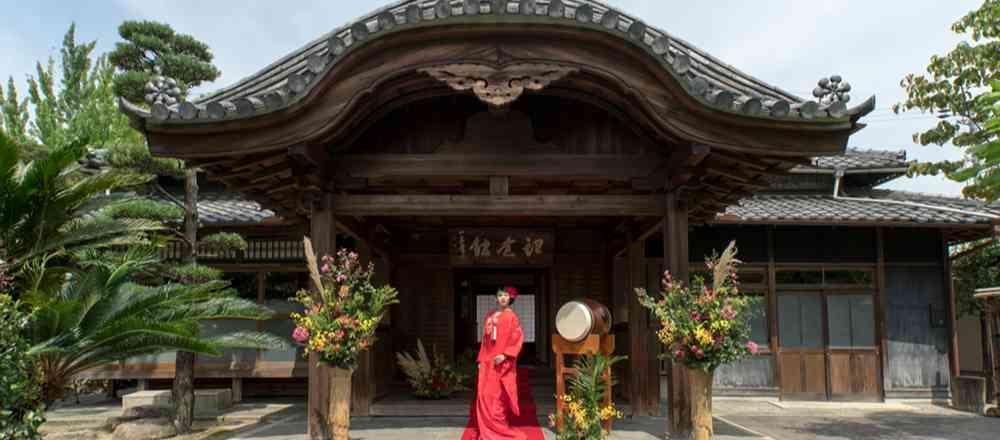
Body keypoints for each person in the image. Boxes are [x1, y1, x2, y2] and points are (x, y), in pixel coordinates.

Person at [469, 285, 525, 440]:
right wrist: (481, 359)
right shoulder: (490, 315)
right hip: (488, 360)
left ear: (510, 298)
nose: (503, 298)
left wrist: (506, 355)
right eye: (500, 295)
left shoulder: (512, 317)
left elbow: (517, 338)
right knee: (484, 395)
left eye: (506, 295)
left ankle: (498, 431)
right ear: (496, 298)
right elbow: (485, 341)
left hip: (501, 361)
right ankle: (486, 430)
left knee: (497, 398)